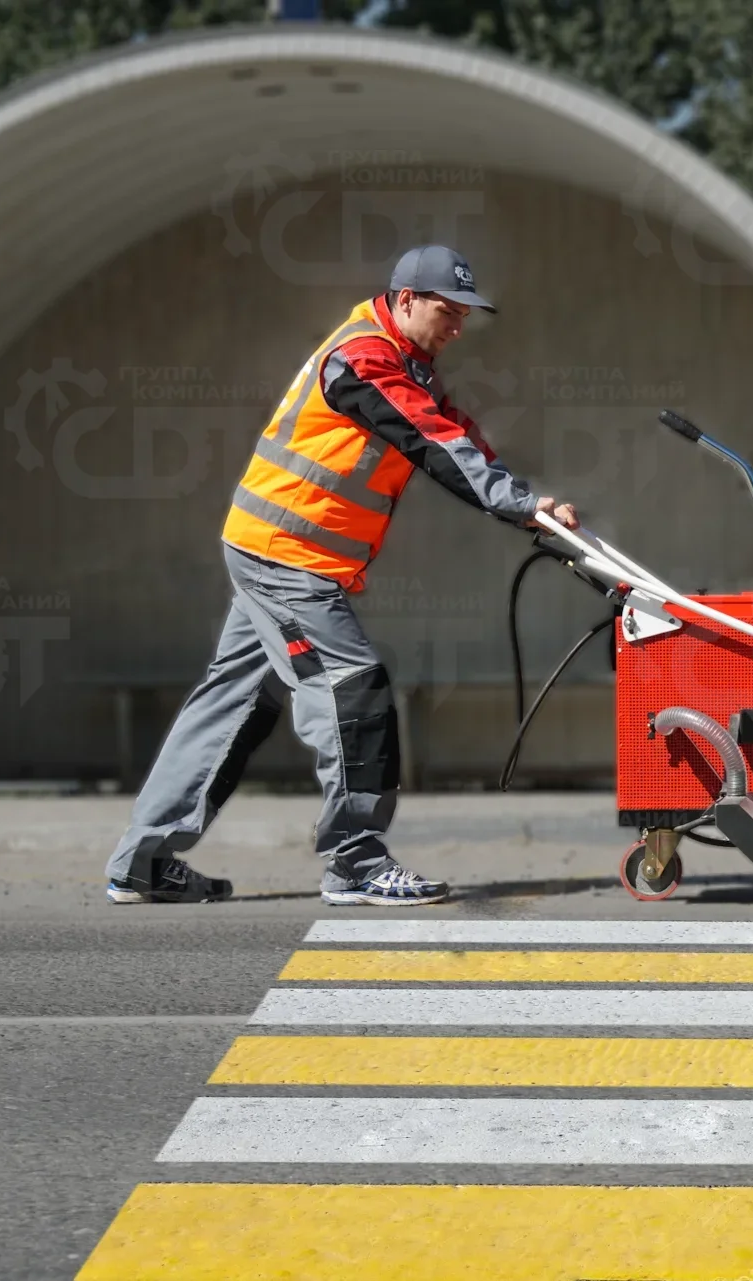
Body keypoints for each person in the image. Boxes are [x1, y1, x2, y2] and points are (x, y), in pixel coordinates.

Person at [104, 245, 577, 906]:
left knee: (231, 707)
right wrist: (516, 503)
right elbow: (429, 439)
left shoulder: (406, 362)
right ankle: (355, 860)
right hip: (286, 555)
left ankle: (142, 863)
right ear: (406, 299)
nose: (457, 327)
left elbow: (453, 429)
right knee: (352, 685)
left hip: (278, 550)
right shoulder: (363, 359)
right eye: (448, 311)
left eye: (465, 314)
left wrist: (531, 505)